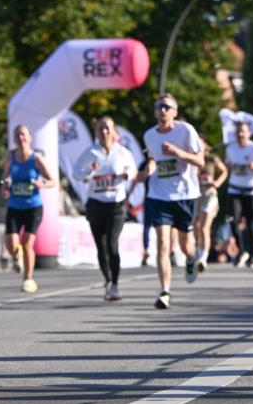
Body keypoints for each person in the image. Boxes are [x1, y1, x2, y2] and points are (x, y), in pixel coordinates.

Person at [139, 94, 203, 309]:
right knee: (163, 244)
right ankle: (165, 291)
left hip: (185, 194)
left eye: (167, 107)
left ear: (175, 111)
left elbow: (200, 160)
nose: (162, 110)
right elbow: (152, 160)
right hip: (159, 196)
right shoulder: (149, 135)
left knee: (185, 246)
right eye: (159, 107)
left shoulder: (186, 131)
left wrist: (176, 152)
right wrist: (146, 172)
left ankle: (192, 258)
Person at [73, 116, 137, 301]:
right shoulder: (91, 152)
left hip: (116, 204)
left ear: (114, 131)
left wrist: (126, 174)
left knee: (111, 243)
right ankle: (107, 280)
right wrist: (90, 171)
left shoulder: (122, 152)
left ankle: (115, 284)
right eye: (101, 128)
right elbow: (77, 173)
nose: (104, 132)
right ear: (96, 132)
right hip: (95, 204)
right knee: (100, 247)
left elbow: (133, 170)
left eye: (107, 128)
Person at [1, 124, 56, 293]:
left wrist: (42, 183)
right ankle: (16, 257)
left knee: (27, 243)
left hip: (33, 207)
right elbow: (4, 180)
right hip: (14, 206)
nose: (21, 138)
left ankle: (28, 279)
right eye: (17, 135)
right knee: (11, 245)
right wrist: (5, 186)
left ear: (30, 138)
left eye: (24, 135)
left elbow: (53, 180)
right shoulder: (10, 158)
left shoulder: (36, 159)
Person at [224, 121, 253, 268]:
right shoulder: (231, 148)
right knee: (233, 220)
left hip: (251, 191)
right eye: (238, 132)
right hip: (234, 189)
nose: (240, 134)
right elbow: (227, 166)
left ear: (249, 133)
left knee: (251, 224)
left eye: (243, 131)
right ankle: (241, 251)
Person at [194, 138, 227, 272]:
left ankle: (203, 258)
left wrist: (217, 183)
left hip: (209, 194)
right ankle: (197, 251)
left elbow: (224, 171)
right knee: (195, 227)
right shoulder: (192, 158)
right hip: (196, 194)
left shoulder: (212, 158)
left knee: (204, 227)